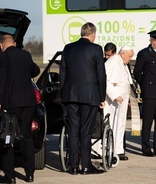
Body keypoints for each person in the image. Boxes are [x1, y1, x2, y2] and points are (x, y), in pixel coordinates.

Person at [60, 22, 106, 175]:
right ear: (92, 34)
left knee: (73, 131)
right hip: (89, 95)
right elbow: (101, 75)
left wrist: (64, 94)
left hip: (71, 95)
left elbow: (63, 73)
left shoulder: (68, 48)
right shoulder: (96, 49)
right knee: (85, 131)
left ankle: (73, 166)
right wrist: (101, 96)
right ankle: (86, 166)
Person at [0, 34, 40, 183]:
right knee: (27, 136)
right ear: (14, 43)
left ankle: (10, 176)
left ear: (2, 45)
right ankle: (30, 173)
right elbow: (36, 71)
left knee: (8, 138)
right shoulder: (26, 55)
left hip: (11, 103)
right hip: (28, 102)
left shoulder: (2, 58)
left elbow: (0, 81)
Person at [133, 29, 156, 157]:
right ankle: (146, 147)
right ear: (151, 41)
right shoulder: (144, 54)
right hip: (149, 93)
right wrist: (145, 85)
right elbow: (137, 72)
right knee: (148, 122)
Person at [104, 45, 134, 161]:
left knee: (120, 125)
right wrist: (115, 95)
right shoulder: (113, 62)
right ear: (123, 54)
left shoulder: (122, 62)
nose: (130, 58)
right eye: (129, 56)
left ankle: (118, 150)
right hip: (113, 102)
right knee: (113, 125)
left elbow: (126, 82)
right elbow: (105, 80)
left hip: (122, 102)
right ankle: (111, 150)